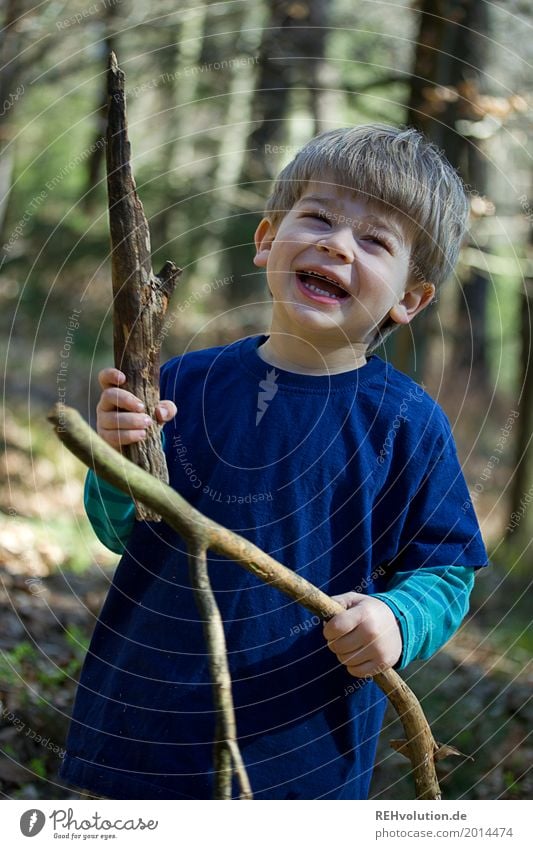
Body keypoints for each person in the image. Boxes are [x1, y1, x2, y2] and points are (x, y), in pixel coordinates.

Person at [59, 123, 488, 800]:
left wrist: (396, 620)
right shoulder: (182, 383)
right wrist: (118, 462)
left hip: (298, 754)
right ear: (265, 239)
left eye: (373, 240)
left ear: (409, 298)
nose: (334, 243)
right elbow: (122, 531)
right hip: (142, 731)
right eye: (316, 216)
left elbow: (445, 570)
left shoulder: (406, 423)